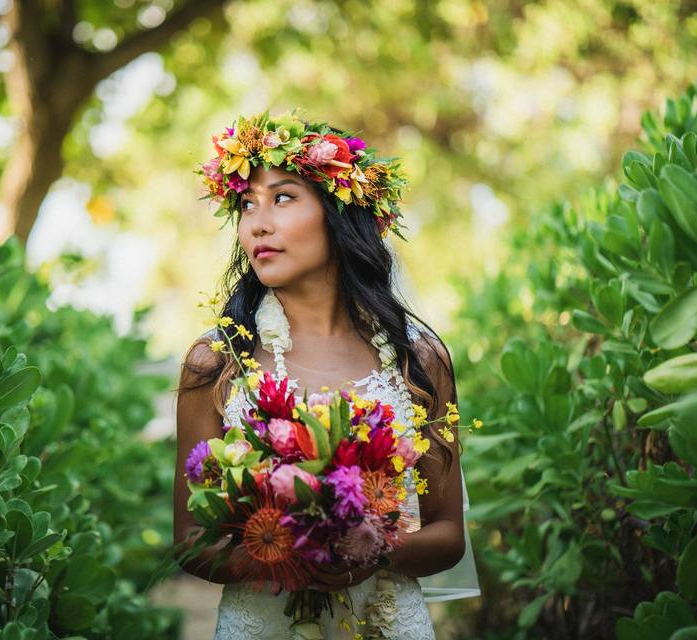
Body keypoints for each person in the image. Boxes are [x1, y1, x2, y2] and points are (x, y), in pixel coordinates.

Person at [173, 110, 479, 639]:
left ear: (341, 213)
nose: (257, 223)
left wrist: (370, 548)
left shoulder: (418, 362)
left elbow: (448, 534)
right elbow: (189, 542)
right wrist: (283, 555)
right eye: (247, 204)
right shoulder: (217, 364)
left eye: (283, 197)